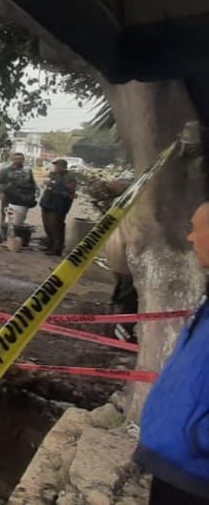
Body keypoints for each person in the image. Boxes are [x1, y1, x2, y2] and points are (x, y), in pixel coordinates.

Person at [135, 201, 209, 503]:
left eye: (198, 229)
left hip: (195, 471)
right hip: (177, 461)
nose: (190, 238)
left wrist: (198, 441)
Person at [0, 152, 38, 244]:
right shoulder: (5, 170)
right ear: (12, 160)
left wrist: (35, 193)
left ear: (23, 160)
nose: (18, 160)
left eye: (20, 159)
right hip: (9, 197)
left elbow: (32, 183)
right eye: (16, 159)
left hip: (24, 198)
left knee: (20, 217)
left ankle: (16, 236)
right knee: (8, 217)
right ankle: (4, 236)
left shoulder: (28, 170)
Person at [103, 226, 140, 343]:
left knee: (119, 296)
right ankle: (119, 337)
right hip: (128, 259)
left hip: (118, 252)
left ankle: (110, 332)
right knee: (128, 301)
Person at [39, 159, 79, 256]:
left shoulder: (70, 177)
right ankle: (50, 245)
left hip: (58, 206)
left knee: (56, 227)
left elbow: (69, 192)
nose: (55, 167)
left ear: (63, 166)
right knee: (48, 226)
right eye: (55, 166)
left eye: (57, 166)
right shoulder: (53, 175)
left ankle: (57, 249)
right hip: (47, 204)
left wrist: (55, 188)